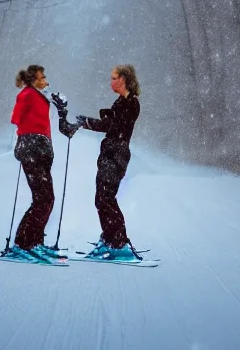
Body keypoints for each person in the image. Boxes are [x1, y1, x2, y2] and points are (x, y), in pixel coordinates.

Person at [75, 64, 141, 261]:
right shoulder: (120, 102)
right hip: (110, 153)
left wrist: (85, 122)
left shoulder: (131, 103)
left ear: (124, 80)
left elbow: (112, 126)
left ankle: (119, 244)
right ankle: (110, 239)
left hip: (116, 154)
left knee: (106, 198)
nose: (111, 81)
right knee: (102, 198)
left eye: (114, 78)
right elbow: (111, 122)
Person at [9, 64, 65, 261]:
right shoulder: (27, 94)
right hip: (31, 148)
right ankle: (24, 244)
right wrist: (30, 132)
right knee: (44, 199)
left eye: (45, 77)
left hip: (40, 149)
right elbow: (15, 118)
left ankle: (33, 241)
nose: (46, 81)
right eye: (41, 78)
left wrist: (57, 103)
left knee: (45, 199)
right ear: (32, 80)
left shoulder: (39, 95)